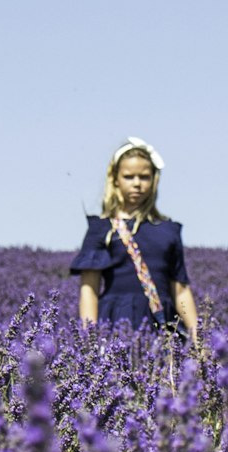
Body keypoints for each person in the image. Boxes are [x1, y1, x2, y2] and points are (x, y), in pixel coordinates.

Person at [70, 136, 200, 343]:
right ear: (115, 179)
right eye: (129, 177)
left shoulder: (168, 230)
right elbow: (89, 290)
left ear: (154, 179)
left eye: (144, 177)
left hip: (162, 323)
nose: (137, 184)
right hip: (116, 320)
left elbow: (181, 288)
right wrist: (88, 341)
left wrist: (197, 336)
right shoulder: (102, 229)